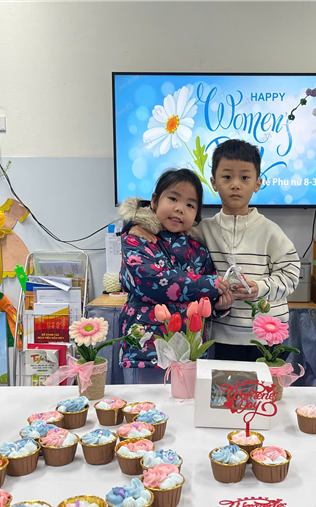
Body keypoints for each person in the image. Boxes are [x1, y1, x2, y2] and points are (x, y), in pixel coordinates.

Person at [129, 139, 301, 361]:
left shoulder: (271, 231)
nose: (235, 185)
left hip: (268, 334)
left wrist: (261, 287)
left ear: (258, 183)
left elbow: (291, 274)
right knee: (223, 384)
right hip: (222, 334)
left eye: (245, 178)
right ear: (214, 182)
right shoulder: (201, 230)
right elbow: (166, 228)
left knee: (266, 384)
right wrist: (135, 224)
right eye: (227, 177)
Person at [118, 168, 234, 383]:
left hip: (189, 350)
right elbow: (150, 281)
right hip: (146, 349)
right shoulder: (137, 238)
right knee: (145, 402)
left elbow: (207, 297)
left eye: (190, 205)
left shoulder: (199, 250)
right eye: (173, 198)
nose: (180, 208)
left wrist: (219, 306)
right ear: (154, 201)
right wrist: (210, 284)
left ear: (196, 215)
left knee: (187, 402)